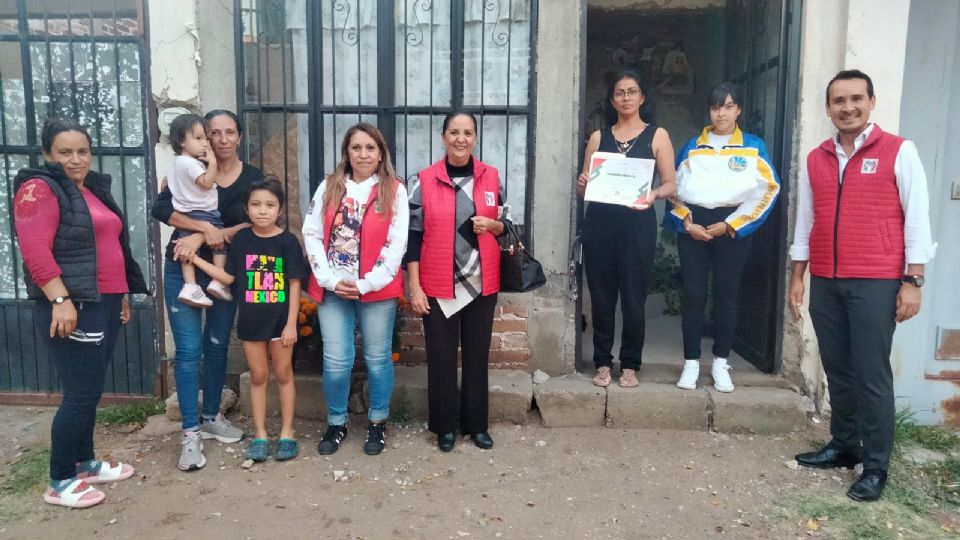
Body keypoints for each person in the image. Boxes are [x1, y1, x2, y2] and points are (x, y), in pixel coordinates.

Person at [789, 70, 936, 501]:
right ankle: (843, 445)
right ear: (828, 107)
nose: (847, 107)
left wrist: (913, 280)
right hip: (828, 280)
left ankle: (875, 466)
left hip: (876, 281)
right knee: (838, 369)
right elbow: (806, 221)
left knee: (872, 375)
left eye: (856, 98)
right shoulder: (817, 157)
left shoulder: (898, 151)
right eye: (838, 100)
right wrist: (798, 276)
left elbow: (918, 218)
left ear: (872, 101)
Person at [13, 118, 149, 508]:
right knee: (79, 394)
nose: (76, 159)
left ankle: (84, 462)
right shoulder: (39, 189)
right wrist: (60, 300)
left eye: (83, 151)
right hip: (72, 306)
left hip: (103, 301)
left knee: (90, 389)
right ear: (47, 155)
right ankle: (59, 480)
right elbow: (35, 251)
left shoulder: (87, 190)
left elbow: (110, 247)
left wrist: (121, 294)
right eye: (65, 152)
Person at [152, 109, 263, 472]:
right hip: (180, 266)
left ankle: (212, 415)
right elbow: (161, 208)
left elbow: (255, 220)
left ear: (240, 137)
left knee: (216, 345)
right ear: (201, 137)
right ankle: (189, 431)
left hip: (222, 269)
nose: (222, 139)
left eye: (230, 132)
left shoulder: (251, 177)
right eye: (214, 133)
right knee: (187, 351)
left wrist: (204, 234)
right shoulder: (186, 168)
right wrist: (201, 230)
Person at [665, 82, 780, 393]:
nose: (722, 113)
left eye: (729, 106)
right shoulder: (693, 146)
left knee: (727, 296)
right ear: (709, 111)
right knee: (693, 295)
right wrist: (687, 223)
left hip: (732, 226)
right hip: (695, 226)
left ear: (738, 110)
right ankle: (690, 362)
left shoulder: (753, 146)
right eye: (716, 107)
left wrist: (731, 225)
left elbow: (769, 189)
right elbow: (672, 189)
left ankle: (720, 363)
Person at [302, 123, 409, 456]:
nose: (363, 154)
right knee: (336, 361)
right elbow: (311, 234)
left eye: (370, 148)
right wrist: (331, 280)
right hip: (333, 289)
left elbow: (397, 243)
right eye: (356, 148)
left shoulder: (395, 190)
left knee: (378, 360)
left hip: (376, 290)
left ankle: (377, 422)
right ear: (347, 152)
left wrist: (366, 283)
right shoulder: (329, 186)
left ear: (380, 154)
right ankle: (337, 422)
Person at [408, 111, 507, 452]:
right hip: (437, 282)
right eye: (454, 132)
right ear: (443, 136)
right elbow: (412, 236)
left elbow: (505, 223)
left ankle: (477, 425)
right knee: (441, 356)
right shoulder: (423, 180)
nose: (460, 139)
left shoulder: (491, 177)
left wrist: (493, 226)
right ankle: (444, 427)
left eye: (467, 132)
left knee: (478, 356)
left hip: (481, 281)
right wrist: (414, 285)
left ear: (475, 138)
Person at [190, 179, 307, 462]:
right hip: (251, 322)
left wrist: (292, 324)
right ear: (247, 208)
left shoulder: (288, 241)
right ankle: (260, 435)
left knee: (283, 374)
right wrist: (196, 259)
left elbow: (294, 285)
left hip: (281, 323)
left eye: (269, 205)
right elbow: (230, 278)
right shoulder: (242, 240)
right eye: (255, 205)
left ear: (279, 209)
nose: (262, 211)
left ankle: (288, 433)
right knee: (258, 376)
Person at [576, 69, 677, 388]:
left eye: (631, 91)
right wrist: (582, 184)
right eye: (619, 92)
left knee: (634, 298)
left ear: (642, 97)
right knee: (602, 297)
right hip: (600, 226)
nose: (625, 97)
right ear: (612, 99)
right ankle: (603, 363)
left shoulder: (657, 135)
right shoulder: (598, 138)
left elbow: (671, 183)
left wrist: (655, 193)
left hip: (638, 226)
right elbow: (584, 188)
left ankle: (631, 364)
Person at [166, 113, 232, 308]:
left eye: (206, 138)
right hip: (204, 212)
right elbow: (205, 183)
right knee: (219, 244)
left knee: (187, 248)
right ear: (181, 141)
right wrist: (212, 163)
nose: (206, 144)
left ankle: (190, 285)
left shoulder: (176, 162)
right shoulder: (192, 163)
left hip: (185, 212)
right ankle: (218, 280)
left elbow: (165, 185)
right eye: (198, 138)